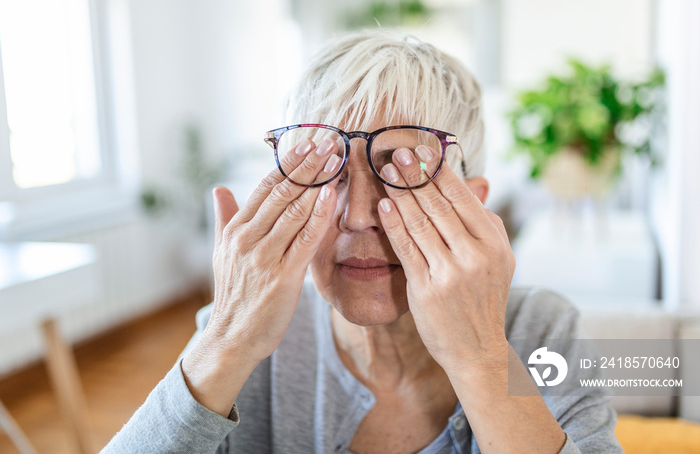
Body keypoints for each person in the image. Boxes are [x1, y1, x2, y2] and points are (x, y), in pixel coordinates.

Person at [103, 31, 622, 453]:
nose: (355, 216)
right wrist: (228, 341)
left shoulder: (542, 330)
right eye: (325, 171)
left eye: (402, 170)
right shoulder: (241, 338)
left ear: (475, 207)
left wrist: (481, 357)